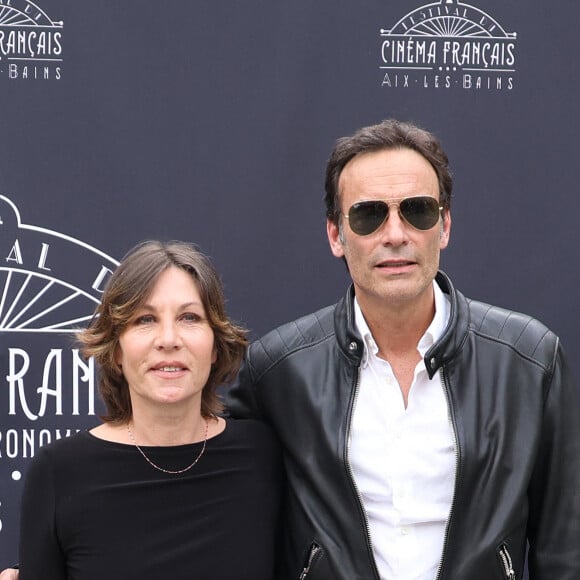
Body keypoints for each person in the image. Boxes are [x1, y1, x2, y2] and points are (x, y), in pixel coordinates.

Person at [225, 120, 580, 579]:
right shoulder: (279, 371)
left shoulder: (530, 361)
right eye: (369, 215)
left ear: (445, 225)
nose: (395, 233)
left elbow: (566, 551)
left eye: (417, 210)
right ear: (336, 235)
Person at [15, 240, 281, 580]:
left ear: (215, 345)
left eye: (189, 317)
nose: (168, 339)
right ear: (116, 350)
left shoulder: (262, 455)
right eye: (145, 319)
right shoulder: (59, 472)